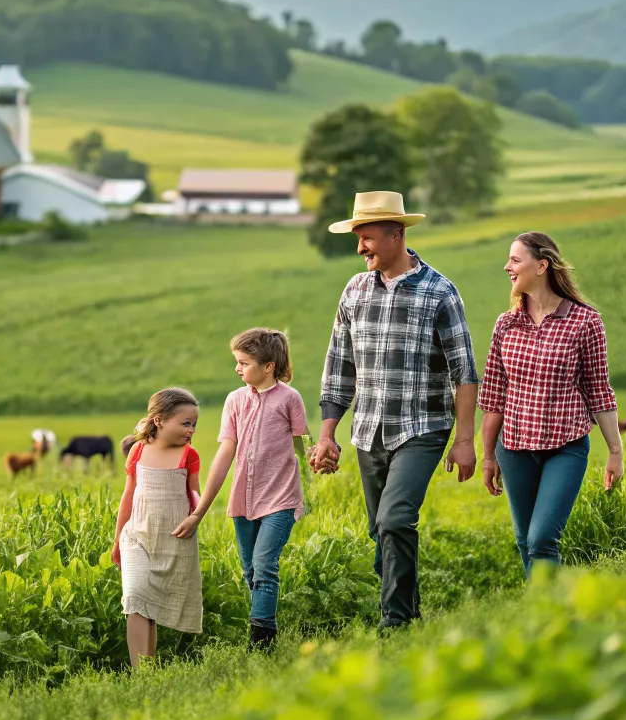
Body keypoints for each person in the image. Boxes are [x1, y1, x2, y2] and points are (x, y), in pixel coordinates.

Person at [310, 191, 479, 632]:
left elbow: (464, 372)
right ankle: (409, 612)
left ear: (397, 234)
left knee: (395, 519)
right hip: (369, 430)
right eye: (358, 239)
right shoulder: (354, 291)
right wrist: (327, 434)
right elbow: (339, 367)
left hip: (422, 426)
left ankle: (395, 623)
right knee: (379, 531)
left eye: (367, 238)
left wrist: (464, 441)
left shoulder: (439, 292)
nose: (360, 248)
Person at [479, 232, 624, 574]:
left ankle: (547, 616)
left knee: (543, 537)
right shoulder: (506, 324)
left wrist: (615, 452)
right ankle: (543, 616)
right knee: (524, 540)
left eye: (515, 260)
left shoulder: (586, 322)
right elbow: (494, 398)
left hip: (566, 447)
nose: (507, 267)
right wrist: (488, 456)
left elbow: (599, 390)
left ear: (542, 265)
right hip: (513, 448)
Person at [173, 328, 310, 649]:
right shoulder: (235, 400)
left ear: (268, 367)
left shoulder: (290, 399)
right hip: (243, 501)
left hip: (281, 499)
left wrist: (308, 490)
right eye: (237, 362)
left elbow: (301, 448)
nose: (237, 368)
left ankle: (261, 642)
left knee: (264, 566)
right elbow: (225, 453)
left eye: (244, 362)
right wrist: (200, 510)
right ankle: (263, 628)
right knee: (249, 571)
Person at [113, 387, 203, 665]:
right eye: (185, 423)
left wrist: (196, 516)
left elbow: (195, 494)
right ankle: (139, 672)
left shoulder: (189, 455)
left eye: (194, 424)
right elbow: (128, 496)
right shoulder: (138, 451)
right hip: (136, 536)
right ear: (160, 420)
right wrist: (117, 540)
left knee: (149, 605)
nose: (191, 430)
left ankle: (148, 669)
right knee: (136, 596)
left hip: (171, 538)